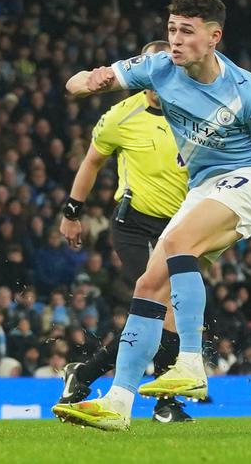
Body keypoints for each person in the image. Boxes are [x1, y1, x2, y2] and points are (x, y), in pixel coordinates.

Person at [56, 0, 251, 431]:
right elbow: (77, 83)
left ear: (213, 37)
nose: (175, 39)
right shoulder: (157, 68)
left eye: (187, 31)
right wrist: (88, 80)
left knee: (176, 243)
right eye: (172, 29)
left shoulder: (249, 92)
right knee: (150, 284)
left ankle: (190, 361)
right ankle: (118, 402)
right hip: (204, 186)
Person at [55, 40, 193, 423]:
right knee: (166, 308)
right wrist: (71, 212)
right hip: (136, 226)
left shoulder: (193, 112)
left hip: (181, 226)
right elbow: (91, 162)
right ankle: (165, 401)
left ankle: (83, 374)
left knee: (161, 315)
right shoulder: (121, 116)